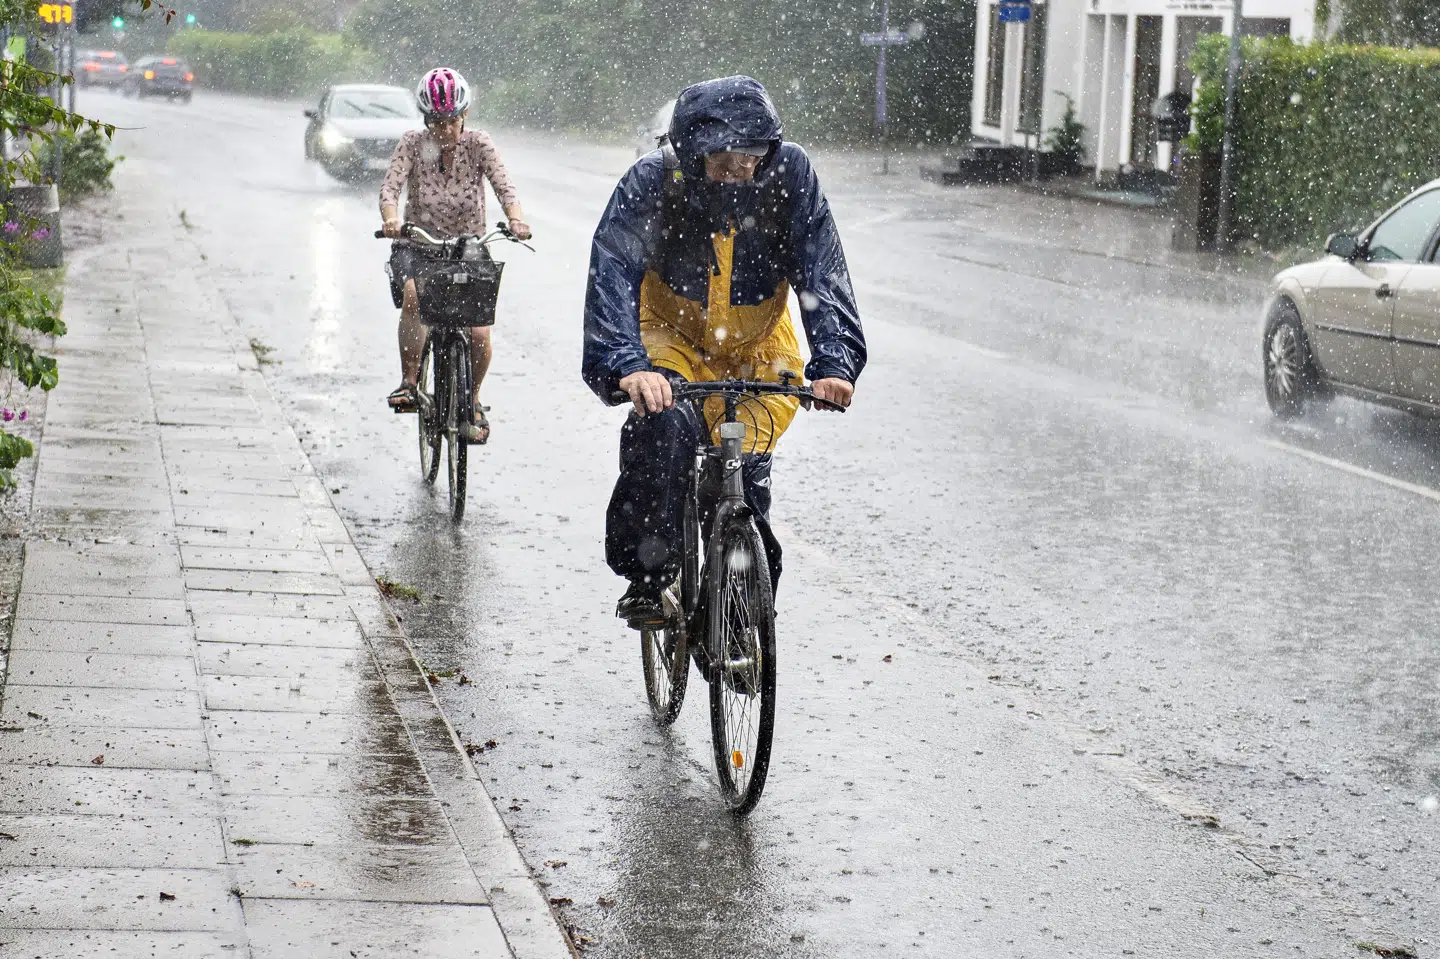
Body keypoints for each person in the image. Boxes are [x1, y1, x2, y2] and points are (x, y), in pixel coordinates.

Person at [582, 75, 866, 627]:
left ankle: (740, 616)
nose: (741, 172)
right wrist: (627, 364)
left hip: (760, 343)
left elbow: (821, 267)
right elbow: (612, 268)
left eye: (752, 159)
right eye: (725, 162)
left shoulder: (790, 173)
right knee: (663, 426)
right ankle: (649, 578)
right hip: (669, 334)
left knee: (744, 477)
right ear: (692, 153)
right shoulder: (653, 178)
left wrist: (834, 362)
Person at [379, 67, 532, 444]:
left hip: (467, 247)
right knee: (414, 296)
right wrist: (392, 220)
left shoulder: (480, 144)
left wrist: (515, 220)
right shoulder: (413, 144)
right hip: (419, 244)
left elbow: (504, 186)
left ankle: (473, 400)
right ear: (426, 119)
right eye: (436, 122)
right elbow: (390, 188)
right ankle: (410, 382)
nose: (444, 131)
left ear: (464, 116)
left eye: (451, 121)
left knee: (479, 330)